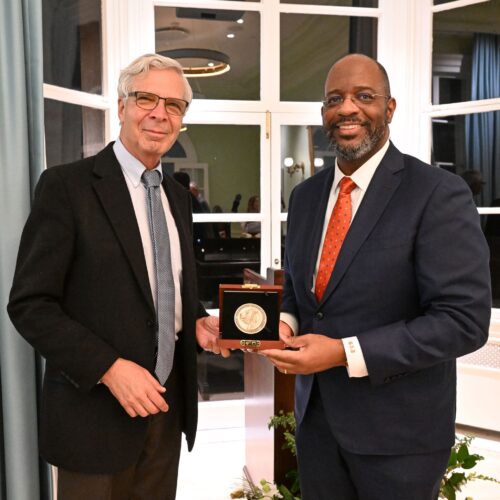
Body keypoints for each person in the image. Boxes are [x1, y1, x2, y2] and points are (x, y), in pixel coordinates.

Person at [260, 54, 491, 500]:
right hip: (317, 427)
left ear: (390, 108)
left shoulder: (437, 194)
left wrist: (343, 353)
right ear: (323, 114)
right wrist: (283, 324)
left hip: (401, 438)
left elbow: (463, 321)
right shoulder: (306, 196)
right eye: (334, 99)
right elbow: (299, 291)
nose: (347, 108)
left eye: (364, 96)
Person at [7, 53, 229, 500]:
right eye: (147, 98)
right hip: (94, 419)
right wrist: (108, 368)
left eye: (174, 105)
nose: (159, 114)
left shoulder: (177, 197)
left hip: (167, 410)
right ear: (123, 104)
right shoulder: (67, 187)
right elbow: (30, 305)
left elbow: (167, 291)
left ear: (182, 119)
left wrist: (199, 321)